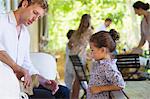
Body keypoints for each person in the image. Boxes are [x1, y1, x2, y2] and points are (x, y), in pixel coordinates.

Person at [0, 0, 69, 98]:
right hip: (4, 83)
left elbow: (26, 63)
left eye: (39, 17)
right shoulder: (2, 21)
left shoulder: (25, 34)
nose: (35, 19)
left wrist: (44, 81)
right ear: (24, 4)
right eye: (35, 13)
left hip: (19, 84)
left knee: (63, 91)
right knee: (48, 97)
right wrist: (16, 67)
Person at [87, 31, 125, 99]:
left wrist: (100, 88)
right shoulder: (100, 63)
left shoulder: (107, 66)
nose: (91, 52)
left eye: (92, 50)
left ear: (102, 50)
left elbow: (120, 84)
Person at [68, 14, 93, 99]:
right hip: (81, 57)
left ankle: (73, 97)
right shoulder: (89, 32)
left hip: (73, 57)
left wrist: (75, 48)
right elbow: (93, 46)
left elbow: (69, 44)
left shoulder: (77, 32)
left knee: (76, 80)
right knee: (79, 79)